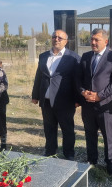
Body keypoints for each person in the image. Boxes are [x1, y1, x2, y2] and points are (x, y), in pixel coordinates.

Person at [77, 28, 112, 175]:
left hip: (106, 105)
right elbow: (78, 78)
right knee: (90, 133)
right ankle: (92, 160)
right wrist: (83, 92)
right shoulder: (85, 56)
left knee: (108, 135)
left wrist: (99, 95)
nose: (93, 42)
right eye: (92, 39)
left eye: (96, 40)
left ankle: (110, 162)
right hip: (88, 104)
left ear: (105, 41)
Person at [31, 30, 81, 160]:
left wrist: (78, 99)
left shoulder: (73, 58)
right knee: (49, 128)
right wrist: (35, 95)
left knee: (67, 129)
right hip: (46, 100)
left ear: (66, 41)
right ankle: (50, 151)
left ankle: (68, 153)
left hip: (65, 100)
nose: (56, 39)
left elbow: (77, 79)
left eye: (60, 37)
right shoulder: (43, 56)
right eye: (54, 37)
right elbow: (39, 76)